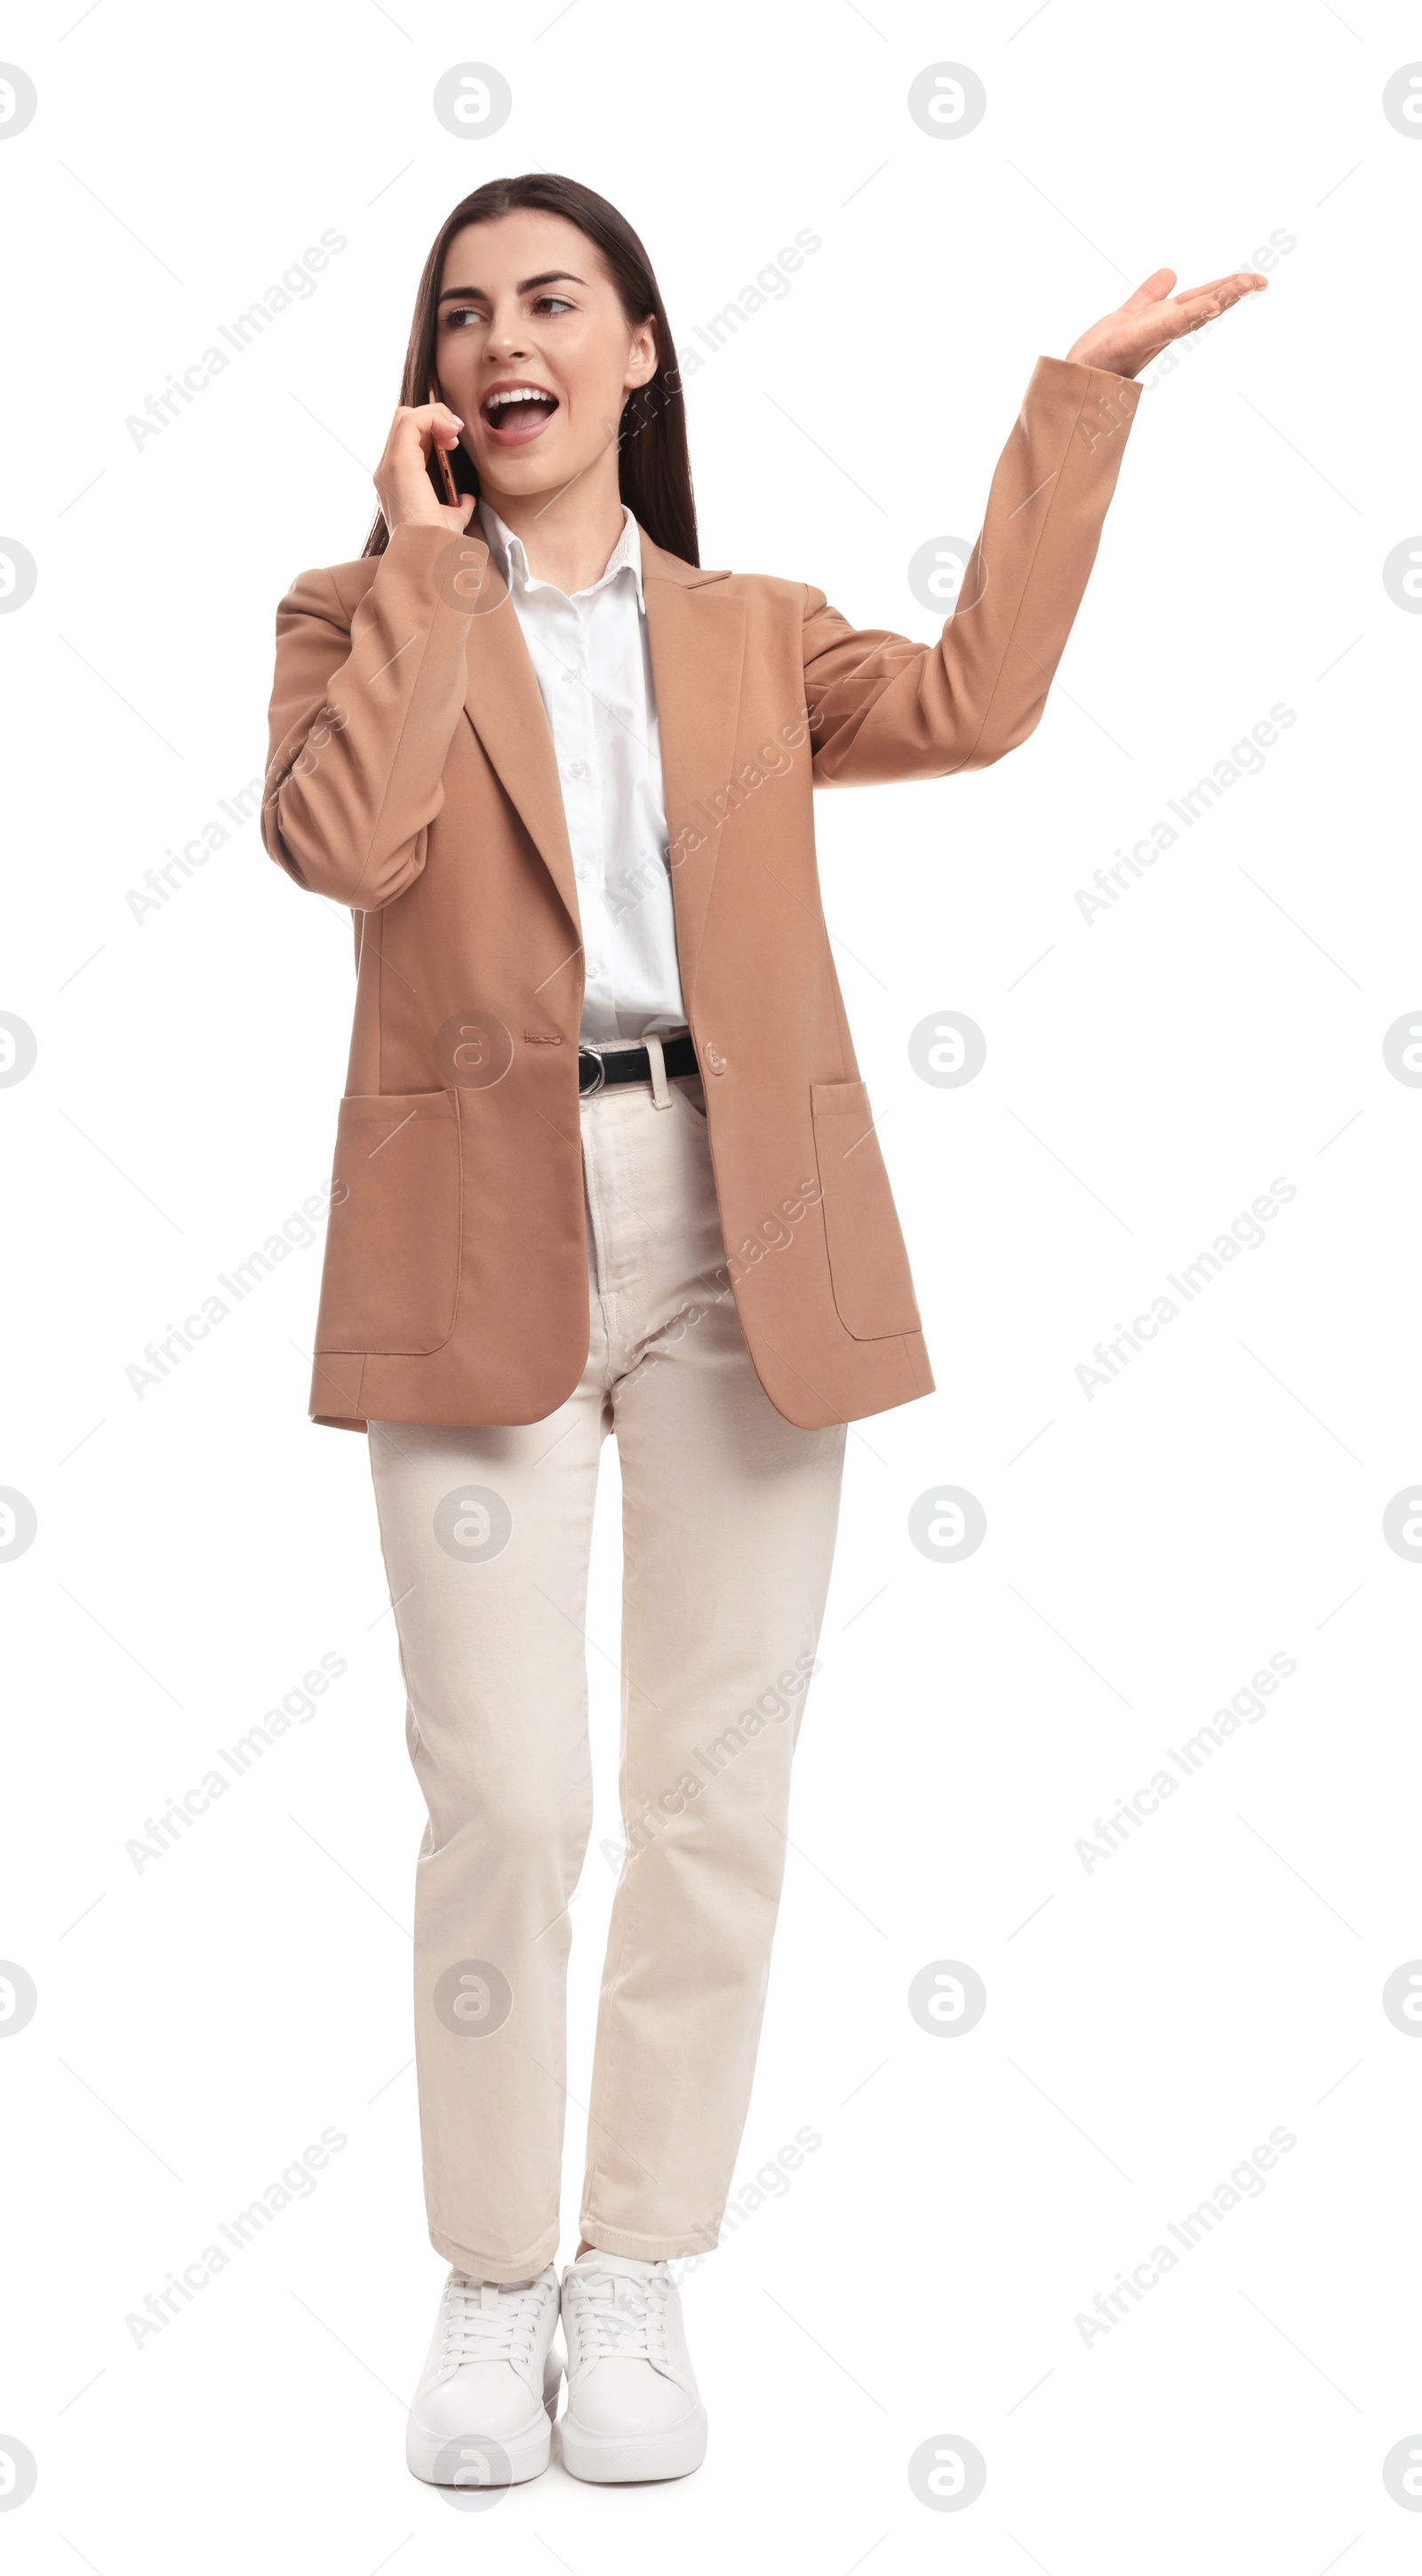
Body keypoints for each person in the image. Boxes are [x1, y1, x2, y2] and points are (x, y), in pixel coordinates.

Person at [260, 170, 1266, 2489]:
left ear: (635, 351)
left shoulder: (744, 635)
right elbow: (344, 840)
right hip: (471, 1239)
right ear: (436, 387)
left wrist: (1075, 407)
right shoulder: (351, 611)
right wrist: (421, 574)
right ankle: (491, 2268)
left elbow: (974, 699)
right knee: (502, 1798)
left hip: (736, 1231)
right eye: (462, 313)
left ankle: (633, 2264)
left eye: (552, 301)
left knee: (712, 1789)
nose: (506, 338)